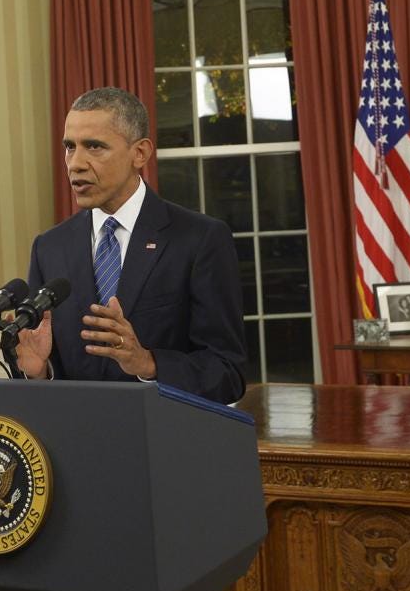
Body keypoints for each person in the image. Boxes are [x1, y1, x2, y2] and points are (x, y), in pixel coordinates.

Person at [14, 87, 247, 405]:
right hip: (77, 447)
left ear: (140, 153)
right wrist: (39, 373)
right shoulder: (49, 248)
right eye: (70, 147)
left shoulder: (200, 239)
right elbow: (51, 377)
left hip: (164, 444)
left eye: (94, 146)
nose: (76, 163)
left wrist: (147, 363)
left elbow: (227, 374)